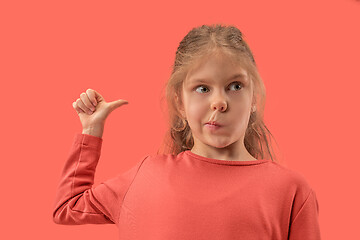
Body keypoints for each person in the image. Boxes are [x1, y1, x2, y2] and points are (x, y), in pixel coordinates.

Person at [53, 24, 321, 239]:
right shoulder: (146, 175)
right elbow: (68, 208)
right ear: (180, 103)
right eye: (202, 88)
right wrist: (91, 131)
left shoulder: (290, 191)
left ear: (254, 99)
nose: (220, 102)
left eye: (235, 86)